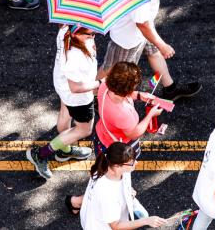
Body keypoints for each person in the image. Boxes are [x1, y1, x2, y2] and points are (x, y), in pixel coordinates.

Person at [98, 0, 201, 101]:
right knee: (112, 68)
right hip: (129, 37)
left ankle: (170, 88)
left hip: (142, 27)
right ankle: (91, 95)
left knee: (154, 53)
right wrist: (163, 44)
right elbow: (142, 24)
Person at [65, 62, 162, 215]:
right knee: (107, 182)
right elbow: (134, 133)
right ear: (126, 89)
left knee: (107, 175)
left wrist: (138, 95)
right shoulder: (122, 114)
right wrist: (150, 115)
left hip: (103, 139)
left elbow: (120, 93)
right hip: (117, 151)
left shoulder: (105, 87)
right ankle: (76, 202)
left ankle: (125, 189)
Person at [26, 25, 100, 179]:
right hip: (78, 98)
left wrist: (89, 43)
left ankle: (64, 149)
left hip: (62, 86)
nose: (94, 36)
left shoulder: (65, 31)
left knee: (65, 114)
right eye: (90, 34)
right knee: (84, 130)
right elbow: (76, 87)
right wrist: (101, 83)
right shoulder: (75, 57)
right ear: (76, 34)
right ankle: (41, 154)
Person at [79, 142, 166, 229]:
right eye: (132, 162)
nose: (136, 162)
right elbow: (116, 226)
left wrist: (127, 192)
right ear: (117, 166)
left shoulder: (106, 167)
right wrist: (146, 221)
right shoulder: (107, 194)